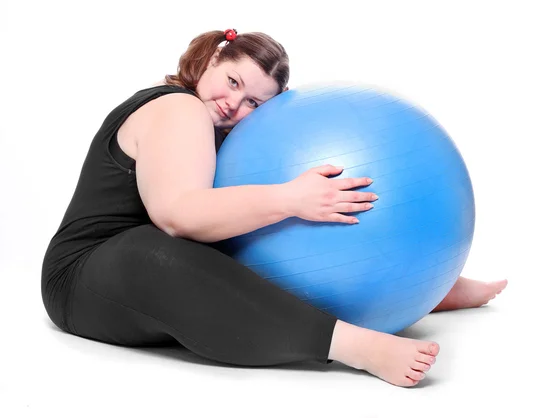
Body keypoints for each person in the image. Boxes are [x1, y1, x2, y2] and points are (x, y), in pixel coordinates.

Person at [41, 29, 508, 387]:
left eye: (252, 102)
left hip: (170, 265)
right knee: (156, 249)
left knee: (246, 232)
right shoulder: (178, 107)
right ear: (212, 59)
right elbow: (178, 215)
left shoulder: (229, 136)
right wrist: (290, 197)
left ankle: (426, 284)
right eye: (232, 81)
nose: (232, 104)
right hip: (83, 279)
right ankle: (350, 345)